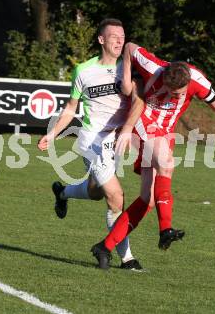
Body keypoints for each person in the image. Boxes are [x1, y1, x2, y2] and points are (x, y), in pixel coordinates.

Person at [90, 42, 215, 269]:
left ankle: (104, 247)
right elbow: (129, 47)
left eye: (179, 94)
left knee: (148, 199)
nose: (174, 96)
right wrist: (126, 76)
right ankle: (165, 230)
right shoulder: (154, 67)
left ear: (188, 84)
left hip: (164, 132)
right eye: (171, 91)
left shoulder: (198, 80)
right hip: (143, 123)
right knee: (166, 164)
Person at [37, 19, 145, 271]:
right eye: (114, 36)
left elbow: (139, 101)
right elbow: (71, 109)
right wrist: (52, 134)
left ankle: (62, 193)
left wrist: (128, 129)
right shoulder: (83, 71)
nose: (120, 40)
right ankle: (126, 258)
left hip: (117, 140)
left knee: (97, 192)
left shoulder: (128, 69)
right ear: (101, 40)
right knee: (115, 197)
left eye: (122, 36)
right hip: (92, 138)